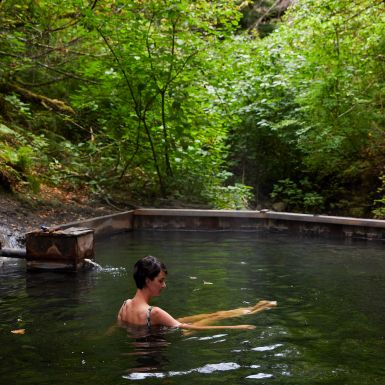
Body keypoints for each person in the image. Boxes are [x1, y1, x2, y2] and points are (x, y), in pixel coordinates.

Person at [117, 255, 276, 331]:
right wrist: (236, 327)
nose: (164, 285)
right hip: (179, 330)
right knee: (217, 316)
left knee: (215, 313)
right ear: (147, 280)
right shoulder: (154, 312)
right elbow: (189, 328)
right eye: (160, 281)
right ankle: (260, 307)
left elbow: (119, 325)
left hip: (161, 326)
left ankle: (257, 307)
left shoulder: (125, 305)